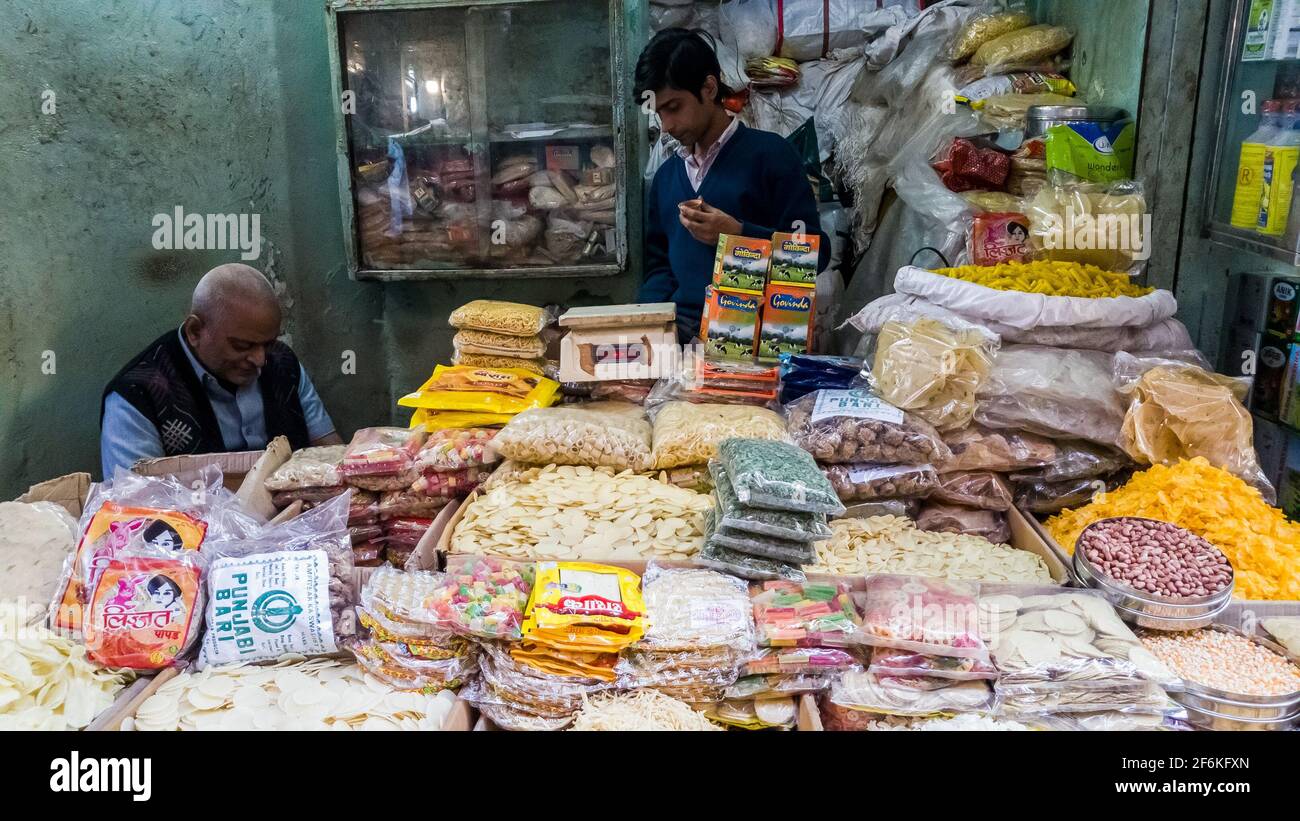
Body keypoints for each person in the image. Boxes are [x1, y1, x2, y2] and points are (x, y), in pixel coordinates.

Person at [635, 28, 831, 342]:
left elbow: (813, 257)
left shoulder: (772, 156)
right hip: (682, 339)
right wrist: (647, 327)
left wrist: (738, 235)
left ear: (709, 88)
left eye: (674, 108)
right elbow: (659, 269)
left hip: (757, 338)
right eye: (659, 113)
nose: (667, 125)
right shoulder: (667, 178)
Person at [100, 264, 341, 476]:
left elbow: (332, 456)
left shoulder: (281, 363)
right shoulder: (137, 396)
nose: (259, 359)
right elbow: (135, 508)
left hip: (294, 520)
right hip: (192, 525)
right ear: (195, 331)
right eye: (241, 346)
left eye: (267, 344)